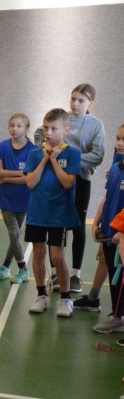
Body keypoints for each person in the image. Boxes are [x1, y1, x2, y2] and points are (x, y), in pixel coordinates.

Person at [33, 83, 106, 293]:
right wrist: (46, 149)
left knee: (78, 225)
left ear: (90, 103)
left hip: (81, 179)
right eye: (73, 98)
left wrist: (71, 158)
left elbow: (97, 155)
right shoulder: (61, 118)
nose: (75, 103)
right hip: (56, 177)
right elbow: (39, 134)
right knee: (56, 223)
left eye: (81, 100)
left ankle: (75, 274)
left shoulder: (95, 125)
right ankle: (57, 273)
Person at [24, 108, 81, 317]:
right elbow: (30, 183)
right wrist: (44, 159)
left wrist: (54, 160)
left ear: (66, 129)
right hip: (37, 213)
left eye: (53, 128)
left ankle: (66, 298)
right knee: (38, 253)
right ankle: (41, 295)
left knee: (57, 256)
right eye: (46, 127)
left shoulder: (72, 153)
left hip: (59, 214)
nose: (48, 132)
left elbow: (67, 183)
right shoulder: (34, 154)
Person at [0, 113, 38, 284]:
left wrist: (8, 178)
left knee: (15, 235)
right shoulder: (3, 146)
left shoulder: (33, 150)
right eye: (11, 125)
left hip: (24, 198)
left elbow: (29, 178)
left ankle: (5, 267)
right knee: (14, 233)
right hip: (6, 198)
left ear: (26, 128)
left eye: (19, 126)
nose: (14, 129)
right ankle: (23, 269)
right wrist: (20, 173)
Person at [91, 126, 124, 333]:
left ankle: (120, 316)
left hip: (121, 235)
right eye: (118, 138)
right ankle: (117, 314)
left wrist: (122, 231)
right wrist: (96, 223)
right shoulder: (115, 168)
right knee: (114, 275)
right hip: (110, 233)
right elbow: (107, 197)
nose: (119, 143)